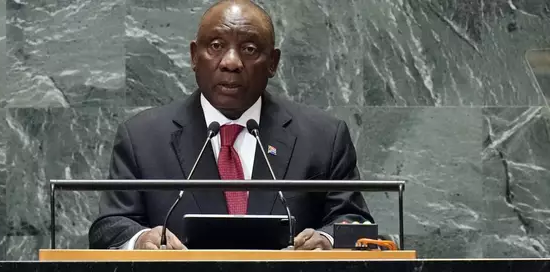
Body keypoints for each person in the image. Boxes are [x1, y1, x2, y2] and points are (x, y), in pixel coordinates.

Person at [89, 0, 373, 250]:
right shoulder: (142, 138)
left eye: (249, 49)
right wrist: (140, 240)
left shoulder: (323, 137)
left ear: (273, 62)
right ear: (193, 56)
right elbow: (110, 227)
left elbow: (356, 223)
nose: (231, 62)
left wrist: (327, 239)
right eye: (216, 46)